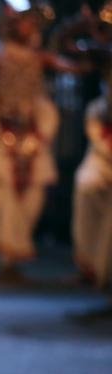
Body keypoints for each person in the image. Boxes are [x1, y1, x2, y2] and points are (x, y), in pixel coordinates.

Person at [0, 0, 78, 279]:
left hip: (29, 134)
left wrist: (70, 34)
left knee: (31, 192)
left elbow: (74, 66)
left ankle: (11, 255)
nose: (31, 28)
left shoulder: (41, 57)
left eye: (34, 23)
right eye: (25, 22)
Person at [72, 69, 112, 290]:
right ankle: (89, 265)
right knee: (86, 183)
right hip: (102, 164)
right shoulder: (98, 109)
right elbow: (102, 143)